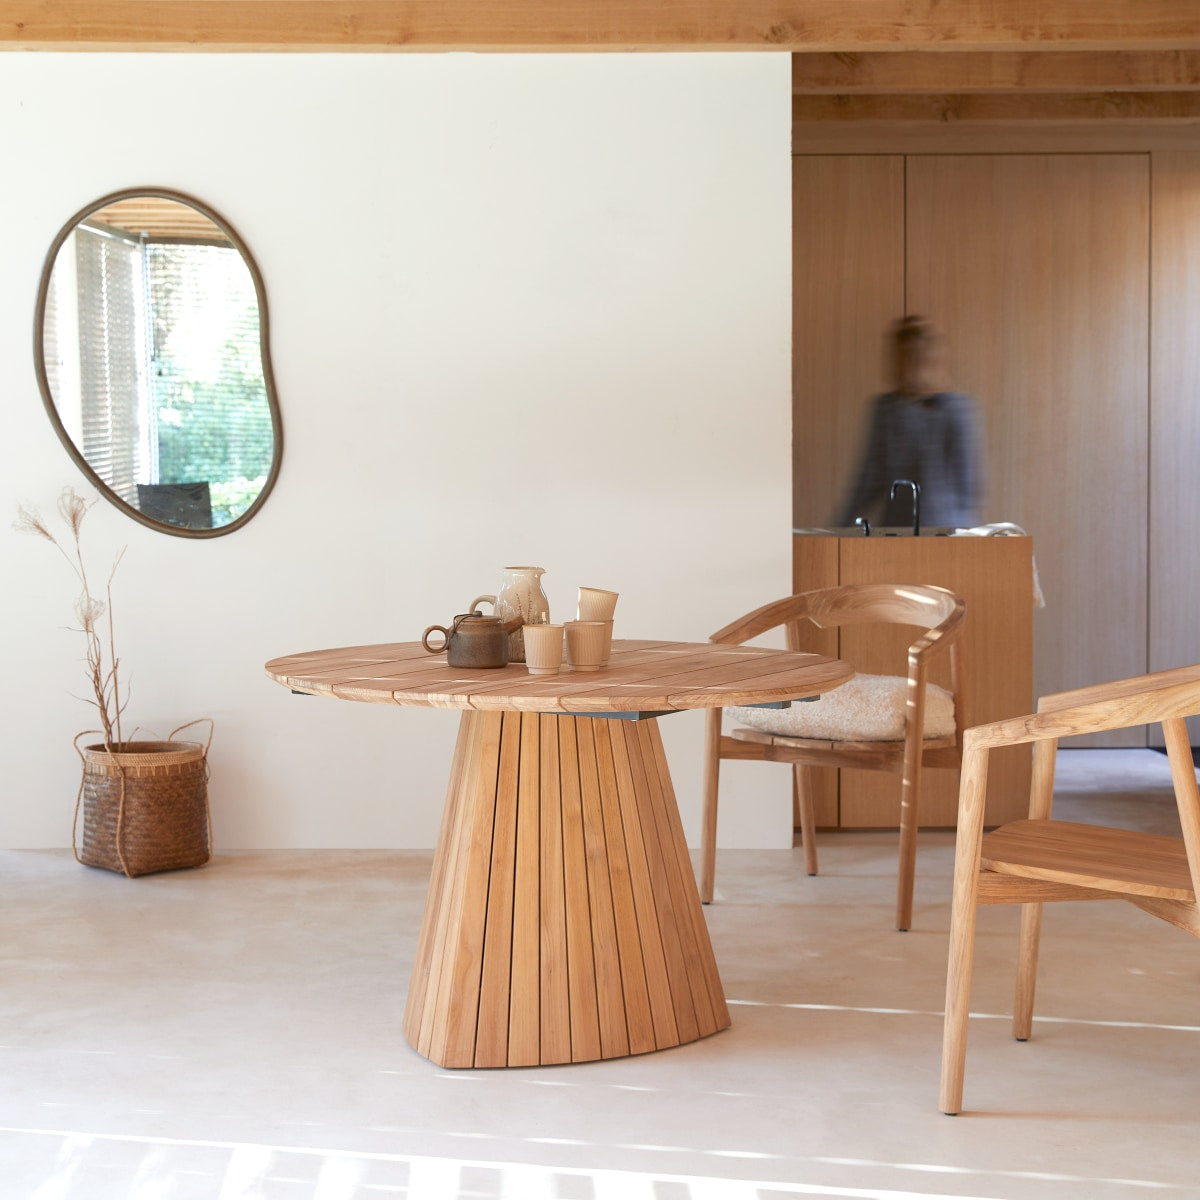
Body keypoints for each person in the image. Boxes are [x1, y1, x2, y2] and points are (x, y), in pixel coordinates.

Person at [836, 315, 984, 529]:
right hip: (897, 529)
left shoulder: (956, 409)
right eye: (901, 358)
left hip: (947, 532)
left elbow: (969, 488)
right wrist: (838, 529)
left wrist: (966, 537)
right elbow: (868, 482)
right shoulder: (885, 409)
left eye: (915, 358)